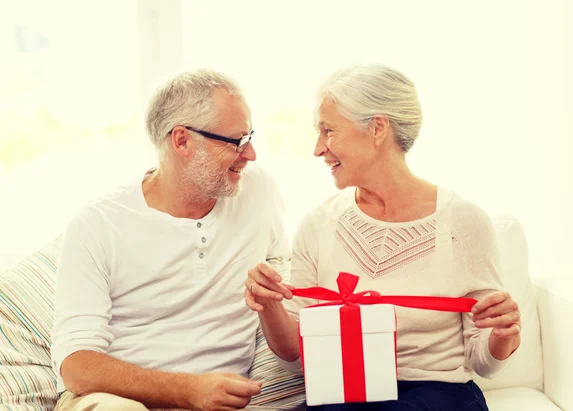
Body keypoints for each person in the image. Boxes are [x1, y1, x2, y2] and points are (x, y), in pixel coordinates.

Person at [245, 63, 521, 411]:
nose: (318, 148)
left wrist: (503, 335)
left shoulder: (463, 222)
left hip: (438, 395)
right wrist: (268, 305)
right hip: (346, 394)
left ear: (377, 128)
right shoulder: (318, 224)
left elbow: (484, 362)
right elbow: (294, 355)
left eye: (328, 130)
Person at [51, 69, 290, 411]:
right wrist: (188, 390)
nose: (250, 154)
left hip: (220, 401)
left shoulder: (258, 192)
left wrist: (270, 297)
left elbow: (287, 287)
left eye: (249, 136)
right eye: (236, 141)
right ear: (181, 141)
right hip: (117, 400)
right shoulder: (98, 224)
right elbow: (76, 366)